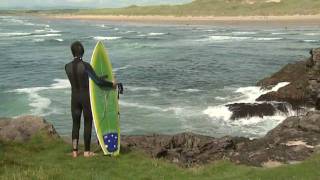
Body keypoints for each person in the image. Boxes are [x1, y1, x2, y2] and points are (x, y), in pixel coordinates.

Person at [65, 41, 116, 158]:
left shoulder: (67, 67)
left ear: (72, 52)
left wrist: (98, 77)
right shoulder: (86, 66)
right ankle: (87, 152)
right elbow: (97, 82)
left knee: (75, 124)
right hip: (85, 98)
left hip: (74, 98)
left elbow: (83, 78)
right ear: (82, 51)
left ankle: (74, 152)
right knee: (87, 123)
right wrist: (111, 84)